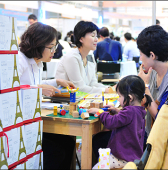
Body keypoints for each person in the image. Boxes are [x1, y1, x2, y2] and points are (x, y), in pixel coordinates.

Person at [18, 22, 76, 169]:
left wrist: (56, 81)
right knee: (56, 152)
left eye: (54, 47)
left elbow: (35, 83)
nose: (54, 51)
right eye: (51, 47)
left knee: (68, 141)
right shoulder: (19, 60)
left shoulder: (37, 63)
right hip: (20, 126)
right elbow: (8, 92)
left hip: (32, 119)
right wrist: (37, 88)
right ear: (37, 44)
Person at [89, 75, 151, 169]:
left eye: (120, 96)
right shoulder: (140, 110)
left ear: (130, 98)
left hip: (122, 158)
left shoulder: (129, 112)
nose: (118, 99)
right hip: (132, 156)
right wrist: (118, 111)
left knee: (96, 167)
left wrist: (100, 112)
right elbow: (129, 119)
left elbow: (111, 122)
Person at [55, 21, 112, 93]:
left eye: (96, 36)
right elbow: (79, 88)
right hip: (66, 100)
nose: (96, 39)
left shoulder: (90, 55)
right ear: (81, 39)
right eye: (92, 36)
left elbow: (93, 83)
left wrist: (109, 88)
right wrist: (106, 90)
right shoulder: (71, 57)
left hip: (83, 98)